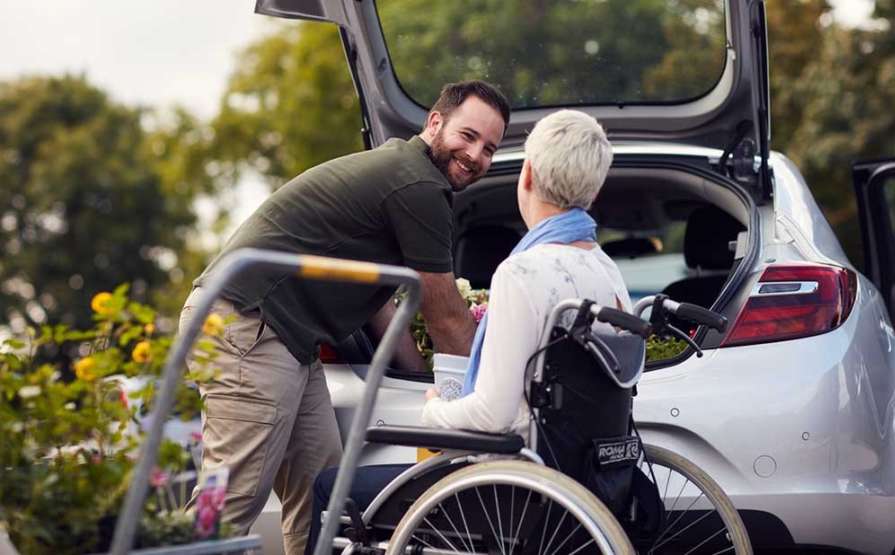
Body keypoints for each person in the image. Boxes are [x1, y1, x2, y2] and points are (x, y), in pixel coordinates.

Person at [178, 80, 510, 555]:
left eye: (489, 148)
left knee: (323, 493)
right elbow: (447, 317)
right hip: (247, 325)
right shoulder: (419, 185)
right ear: (434, 122)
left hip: (286, 339)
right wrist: (489, 393)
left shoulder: (404, 173)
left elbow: (377, 302)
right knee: (230, 495)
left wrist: (417, 375)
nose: (476, 155)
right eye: (468, 136)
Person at [308, 109, 629, 549]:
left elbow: (491, 417)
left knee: (329, 487)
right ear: (593, 191)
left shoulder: (523, 272)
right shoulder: (607, 273)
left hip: (509, 488)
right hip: (586, 479)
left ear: (528, 174)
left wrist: (434, 409)